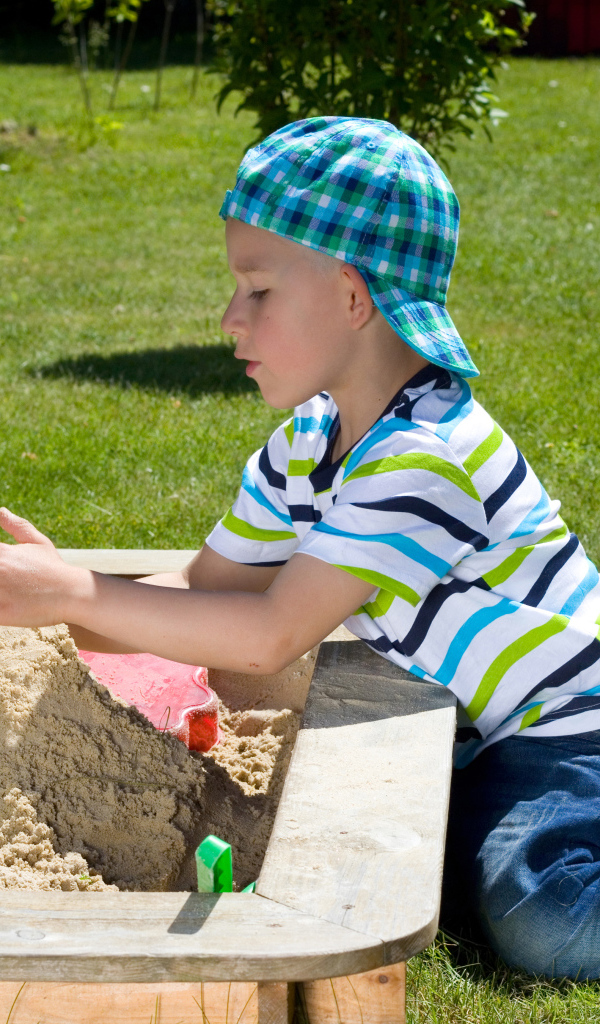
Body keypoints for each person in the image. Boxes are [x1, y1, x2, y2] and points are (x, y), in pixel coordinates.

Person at [0, 116, 599, 979]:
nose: (228, 320)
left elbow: (272, 632)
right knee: (454, 851)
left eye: (259, 292)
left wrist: (69, 595)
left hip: (573, 733)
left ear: (353, 298)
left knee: (543, 919)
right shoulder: (311, 441)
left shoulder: (424, 457)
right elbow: (205, 592)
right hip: (488, 737)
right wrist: (56, 602)